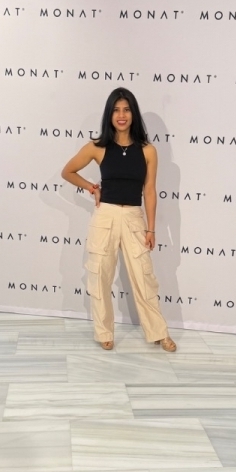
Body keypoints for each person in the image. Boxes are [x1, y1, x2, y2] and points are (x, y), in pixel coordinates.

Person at [61, 87, 176, 352]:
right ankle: (104, 332)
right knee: (100, 276)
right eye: (116, 110)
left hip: (134, 218)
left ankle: (159, 332)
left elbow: (149, 191)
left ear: (133, 113)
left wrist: (151, 229)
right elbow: (68, 171)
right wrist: (92, 188)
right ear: (109, 114)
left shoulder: (148, 150)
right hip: (105, 216)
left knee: (144, 278)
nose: (121, 115)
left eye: (126, 110)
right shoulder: (97, 147)